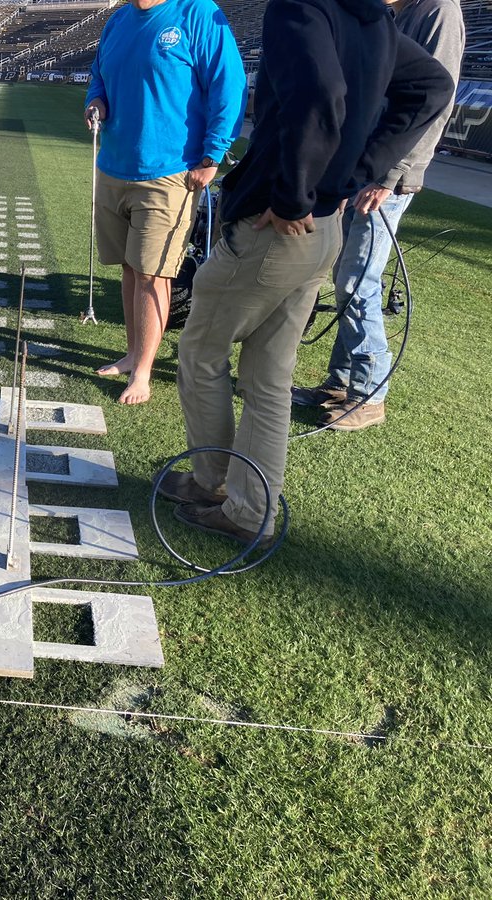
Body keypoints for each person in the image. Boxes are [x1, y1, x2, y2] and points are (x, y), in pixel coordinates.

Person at [161, 0, 453, 545]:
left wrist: (298, 196)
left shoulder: (302, 6)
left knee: (201, 353)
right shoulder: (373, 18)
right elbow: (431, 86)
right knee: (269, 378)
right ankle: (250, 511)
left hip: (280, 224)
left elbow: (321, 98)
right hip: (323, 230)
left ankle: (211, 483)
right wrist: (351, 176)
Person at [293, 0, 465, 431]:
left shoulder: (439, 11)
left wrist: (389, 175)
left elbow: (435, 102)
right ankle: (343, 381)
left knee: (358, 280)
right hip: (365, 168)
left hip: (386, 177)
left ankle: (370, 394)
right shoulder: (396, 12)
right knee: (346, 277)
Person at [83, 0, 245, 404]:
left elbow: (229, 84)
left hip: (169, 171)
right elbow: (98, 76)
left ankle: (143, 373)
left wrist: (213, 154)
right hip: (114, 166)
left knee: (154, 274)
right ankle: (133, 352)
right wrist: (96, 100)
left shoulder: (197, 14)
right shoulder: (118, 20)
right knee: (128, 267)